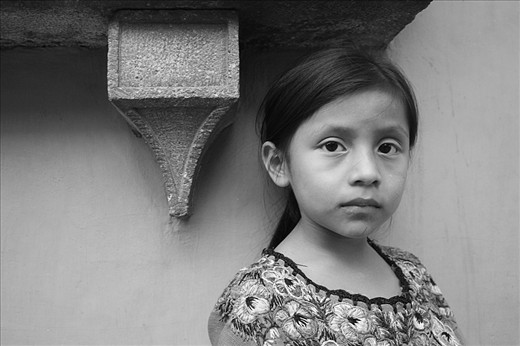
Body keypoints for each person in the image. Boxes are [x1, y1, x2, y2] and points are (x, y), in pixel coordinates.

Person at [208, 47, 464, 345]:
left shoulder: (414, 274)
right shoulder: (257, 305)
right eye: (333, 146)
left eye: (387, 147)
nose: (367, 172)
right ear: (279, 163)